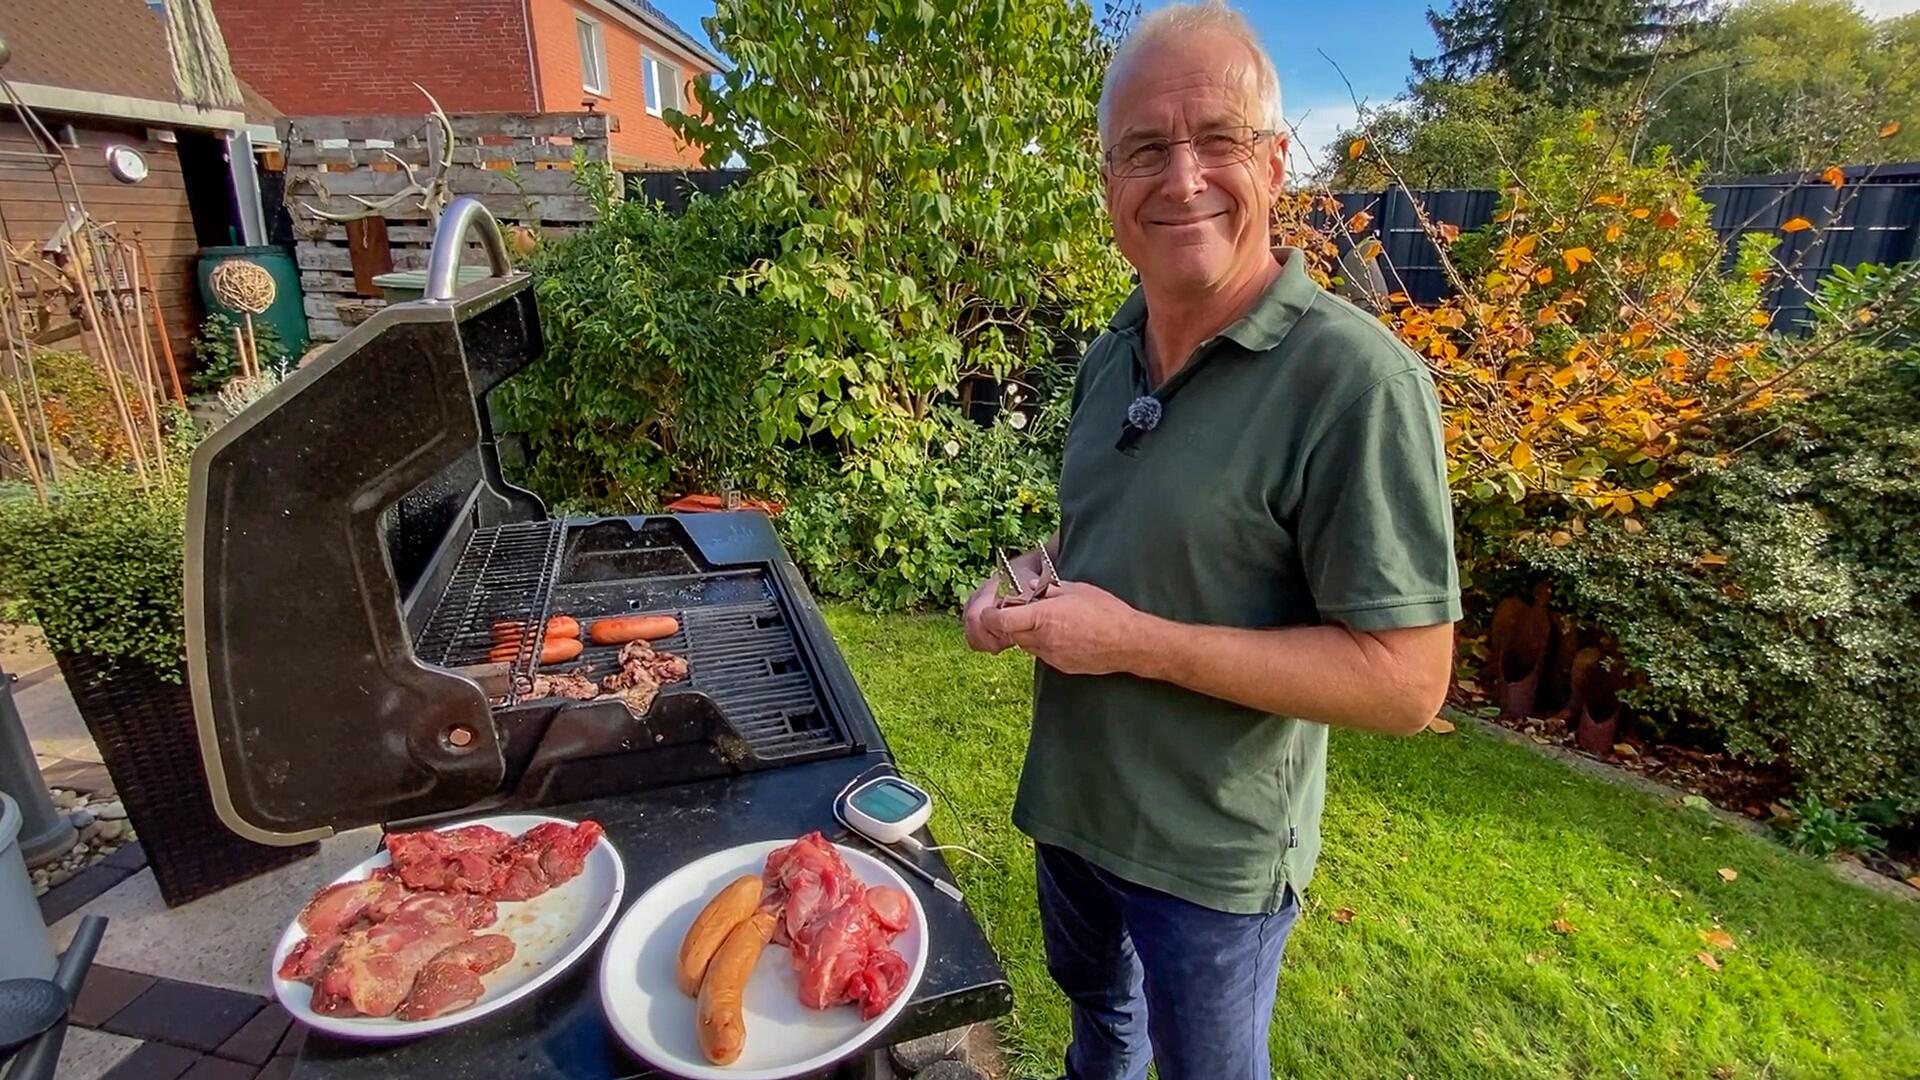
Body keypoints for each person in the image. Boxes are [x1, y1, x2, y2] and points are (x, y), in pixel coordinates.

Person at [962, 3, 1461, 1078]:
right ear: (1108, 184)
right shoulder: (1110, 355)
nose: (1181, 177)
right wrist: (1031, 589)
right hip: (1074, 808)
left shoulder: (1355, 383)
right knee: (1101, 1032)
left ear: (1277, 164)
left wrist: (1135, 640)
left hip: (1212, 861)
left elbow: (1405, 684)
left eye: (1218, 139)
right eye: (1144, 148)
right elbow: (1116, 530)